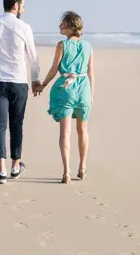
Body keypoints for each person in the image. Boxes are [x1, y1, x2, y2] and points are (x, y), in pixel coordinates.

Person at [0, 0, 41, 184]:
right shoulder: (24, 27)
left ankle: (1, 171)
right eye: (22, 5)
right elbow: (32, 56)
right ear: (15, 5)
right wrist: (35, 79)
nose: (24, 9)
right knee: (16, 124)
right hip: (19, 82)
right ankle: (15, 166)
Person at [35, 11, 94, 183]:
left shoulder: (62, 45)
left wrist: (43, 85)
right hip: (84, 88)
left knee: (65, 132)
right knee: (83, 130)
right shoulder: (88, 46)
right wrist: (91, 95)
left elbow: (54, 69)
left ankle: (66, 171)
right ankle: (82, 167)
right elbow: (91, 73)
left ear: (70, 26)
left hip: (67, 89)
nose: (60, 26)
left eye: (63, 23)